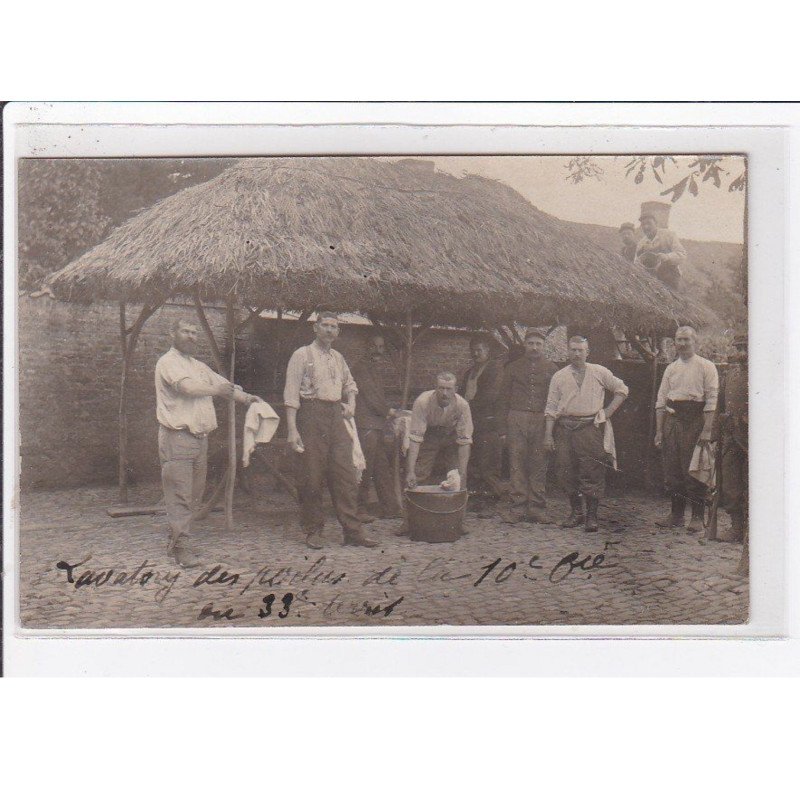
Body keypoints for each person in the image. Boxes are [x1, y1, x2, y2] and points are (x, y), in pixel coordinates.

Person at [155, 319, 261, 568]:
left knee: (194, 496)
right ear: (173, 333)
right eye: (185, 331)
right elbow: (188, 388)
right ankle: (182, 549)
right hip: (177, 437)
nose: (191, 336)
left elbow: (225, 387)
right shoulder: (167, 362)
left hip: (200, 439)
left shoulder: (199, 366)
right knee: (180, 494)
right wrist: (219, 391)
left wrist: (246, 398)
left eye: (194, 332)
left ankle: (177, 541)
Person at [283, 312, 377, 550]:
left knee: (345, 475)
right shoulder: (301, 355)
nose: (329, 330)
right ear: (315, 328)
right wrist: (293, 429)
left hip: (335, 415)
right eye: (325, 325)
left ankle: (353, 531)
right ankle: (313, 530)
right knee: (311, 475)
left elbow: (350, 384)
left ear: (338, 332)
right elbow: (291, 394)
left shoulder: (338, 357)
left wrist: (352, 404)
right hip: (311, 415)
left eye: (334, 327)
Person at [544, 336, 629, 533]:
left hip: (589, 428)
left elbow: (622, 389)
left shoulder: (599, 372)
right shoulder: (559, 376)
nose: (576, 353)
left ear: (587, 352)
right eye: (573, 350)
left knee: (592, 471)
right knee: (565, 470)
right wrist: (548, 435)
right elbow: (550, 406)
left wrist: (606, 413)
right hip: (564, 428)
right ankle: (576, 513)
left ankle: (591, 516)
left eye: (580, 350)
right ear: (567, 352)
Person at [654, 326, 719, 533]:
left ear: (695, 342)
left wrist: (707, 430)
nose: (682, 344)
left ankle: (697, 517)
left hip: (695, 421)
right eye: (678, 340)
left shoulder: (706, 366)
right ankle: (676, 514)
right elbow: (660, 401)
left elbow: (712, 400)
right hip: (673, 421)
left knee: (693, 468)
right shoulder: (671, 368)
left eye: (686, 340)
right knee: (673, 469)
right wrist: (659, 431)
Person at [397, 372, 473, 535]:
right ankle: (407, 522)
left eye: (448, 389)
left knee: (457, 478)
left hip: (452, 437)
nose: (444, 393)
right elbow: (415, 439)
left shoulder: (462, 405)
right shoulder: (423, 402)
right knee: (417, 475)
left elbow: (465, 441)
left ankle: (458, 521)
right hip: (429, 435)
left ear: (456, 389)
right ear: (435, 388)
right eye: (441, 388)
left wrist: (463, 470)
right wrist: (410, 470)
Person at [497, 328, 558, 524]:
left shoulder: (552, 369)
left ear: (544, 346)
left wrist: (551, 428)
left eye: (538, 344)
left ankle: (537, 509)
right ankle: (517, 508)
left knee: (539, 464)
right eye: (530, 343)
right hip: (516, 418)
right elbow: (503, 399)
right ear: (525, 345)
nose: (534, 347)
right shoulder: (512, 367)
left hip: (541, 419)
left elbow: (556, 400)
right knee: (517, 463)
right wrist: (502, 429)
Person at [351, 332, 402, 521]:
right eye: (375, 346)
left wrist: (386, 412)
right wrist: (388, 411)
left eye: (381, 348)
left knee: (381, 466)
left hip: (376, 424)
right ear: (367, 347)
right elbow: (371, 396)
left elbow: (377, 396)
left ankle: (390, 508)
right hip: (366, 425)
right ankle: (359, 509)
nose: (378, 351)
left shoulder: (374, 368)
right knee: (366, 466)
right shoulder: (361, 368)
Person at [459, 334, 506, 516]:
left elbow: (490, 397)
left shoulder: (495, 370)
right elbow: (462, 394)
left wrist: (468, 405)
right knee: (475, 464)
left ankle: (492, 502)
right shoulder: (470, 372)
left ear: (488, 351)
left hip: (488, 422)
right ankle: (478, 500)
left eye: (480, 350)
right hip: (472, 422)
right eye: (474, 350)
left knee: (489, 464)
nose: (476, 353)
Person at [716, 333, 748, 566]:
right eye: (740, 348)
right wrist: (718, 430)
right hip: (730, 435)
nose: (743, 353)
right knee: (730, 481)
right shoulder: (731, 374)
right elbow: (720, 403)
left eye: (746, 347)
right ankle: (736, 526)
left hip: (755, 436)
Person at [634, 212, 687, 290]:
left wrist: (667, 257)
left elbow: (682, 254)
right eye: (643, 225)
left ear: (656, 224)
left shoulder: (668, 235)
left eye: (649, 223)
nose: (646, 227)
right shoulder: (641, 243)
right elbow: (636, 262)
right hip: (652, 278)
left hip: (671, 276)